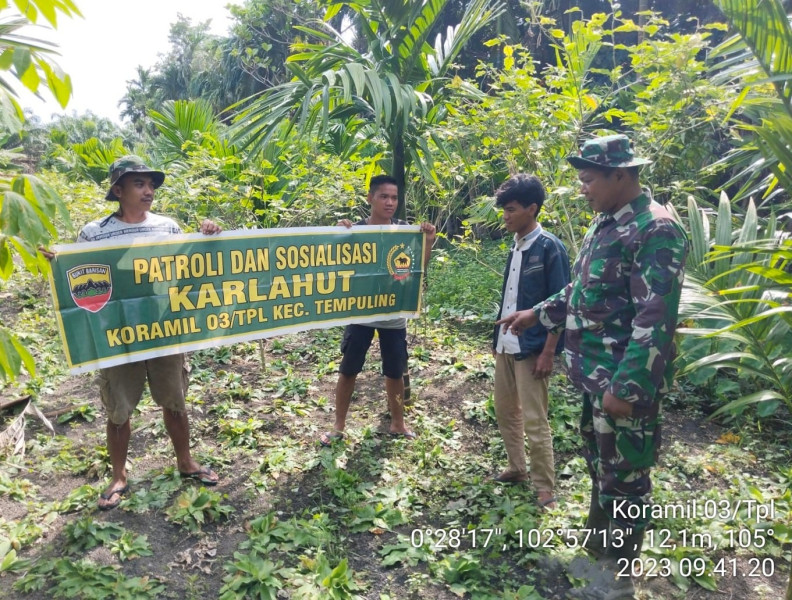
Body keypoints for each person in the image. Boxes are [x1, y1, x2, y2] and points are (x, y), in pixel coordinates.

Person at [497, 135, 688, 598]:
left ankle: (617, 581)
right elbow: (581, 290)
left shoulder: (654, 229)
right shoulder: (605, 224)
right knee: (601, 468)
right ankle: (597, 553)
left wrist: (627, 388)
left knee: (626, 481)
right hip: (595, 377)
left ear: (620, 175)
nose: (582, 189)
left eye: (588, 180)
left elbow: (655, 319)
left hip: (621, 384)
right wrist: (538, 314)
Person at [43, 155, 223, 510]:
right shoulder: (95, 232)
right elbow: (79, 276)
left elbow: (188, 267)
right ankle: (119, 476)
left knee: (175, 402)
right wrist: (58, 260)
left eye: (151, 185)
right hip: (118, 337)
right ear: (118, 190)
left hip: (164, 331)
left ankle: (185, 462)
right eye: (139, 184)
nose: (148, 191)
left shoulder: (168, 227)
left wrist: (207, 236)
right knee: (119, 410)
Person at [319, 175, 436, 446]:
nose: (390, 202)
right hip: (360, 314)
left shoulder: (405, 231)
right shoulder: (356, 230)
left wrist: (428, 241)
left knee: (394, 372)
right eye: (384, 196)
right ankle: (338, 426)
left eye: (394, 197)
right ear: (370, 198)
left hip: (394, 315)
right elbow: (334, 263)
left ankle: (398, 423)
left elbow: (417, 269)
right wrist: (339, 234)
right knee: (348, 369)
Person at [491, 174, 570, 512]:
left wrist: (549, 351)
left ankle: (545, 488)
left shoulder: (550, 247)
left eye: (511, 209)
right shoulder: (516, 245)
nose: (505, 216)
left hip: (533, 346)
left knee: (535, 420)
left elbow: (561, 303)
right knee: (505, 410)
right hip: (506, 344)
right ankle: (517, 467)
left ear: (532, 209)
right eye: (504, 210)